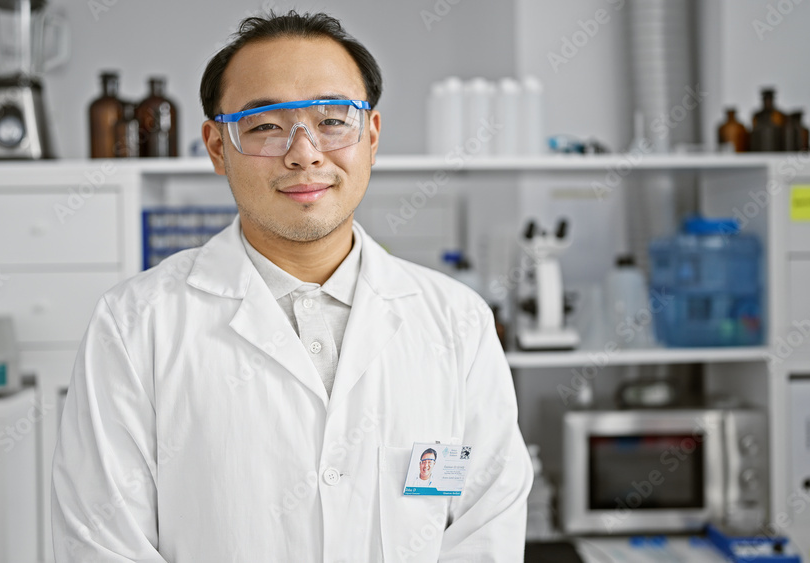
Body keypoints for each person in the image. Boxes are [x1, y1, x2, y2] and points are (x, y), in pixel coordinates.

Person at [51, 10, 532, 562]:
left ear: (370, 137)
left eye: (332, 120)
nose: (304, 153)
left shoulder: (456, 322)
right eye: (265, 126)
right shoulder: (136, 324)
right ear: (216, 147)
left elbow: (486, 527)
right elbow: (102, 539)